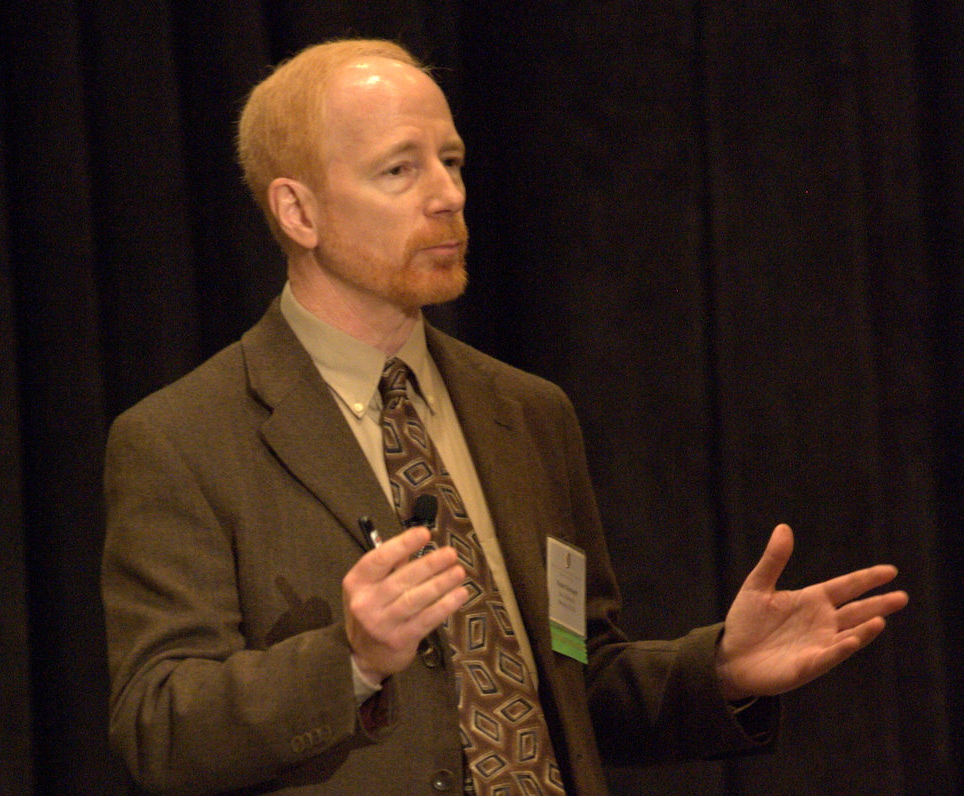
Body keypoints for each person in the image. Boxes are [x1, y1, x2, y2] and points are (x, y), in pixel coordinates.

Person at [101, 38, 909, 796]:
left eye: (451, 162)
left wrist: (719, 671)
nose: (448, 195)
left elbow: (574, 679)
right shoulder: (183, 439)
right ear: (298, 212)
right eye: (399, 170)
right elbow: (157, 726)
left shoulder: (528, 413)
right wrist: (349, 658)